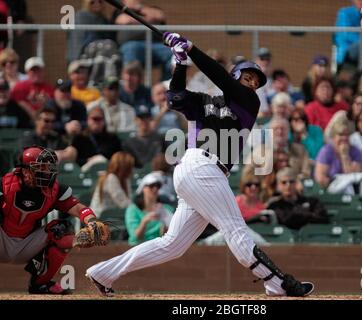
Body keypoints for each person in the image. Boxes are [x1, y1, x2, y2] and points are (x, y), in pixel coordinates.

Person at [85, 32, 314, 297]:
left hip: (202, 173)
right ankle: (277, 282)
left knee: (172, 244)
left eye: (255, 80)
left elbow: (220, 77)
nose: (252, 83)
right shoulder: (205, 101)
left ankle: (103, 273)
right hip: (199, 167)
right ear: (236, 76)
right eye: (247, 77)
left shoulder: (249, 102)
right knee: (236, 230)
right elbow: (175, 98)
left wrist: (191, 50)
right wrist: (181, 62)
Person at [0, 146, 105, 294]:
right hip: (2, 239)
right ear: (25, 171)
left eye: (48, 167)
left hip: (27, 244)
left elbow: (77, 207)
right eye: (41, 167)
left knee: (62, 229)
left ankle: (40, 284)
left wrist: (92, 221)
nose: (47, 172)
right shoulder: (4, 186)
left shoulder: (53, 191)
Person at [113, 1, 172, 80]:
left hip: (156, 45)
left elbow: (160, 15)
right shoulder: (119, 9)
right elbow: (122, 20)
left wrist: (137, 14)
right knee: (131, 48)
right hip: (132, 45)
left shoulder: (148, 8)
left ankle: (166, 86)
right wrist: (148, 19)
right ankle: (131, 86)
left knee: (173, 52)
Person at [315, 113, 362, 196]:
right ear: (333, 137)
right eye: (340, 135)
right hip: (331, 190)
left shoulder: (356, 151)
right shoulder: (326, 151)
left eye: (346, 135)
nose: (344, 138)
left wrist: (344, 156)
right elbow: (320, 178)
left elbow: (353, 176)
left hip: (353, 190)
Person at [126, 172, 173, 246]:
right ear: (143, 189)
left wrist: (165, 225)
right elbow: (135, 237)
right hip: (137, 247)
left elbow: (167, 235)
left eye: (158, 186)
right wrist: (144, 222)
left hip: (158, 247)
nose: (155, 189)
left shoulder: (167, 209)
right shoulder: (132, 210)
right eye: (151, 186)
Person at [89, 151, 134, 218]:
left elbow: (129, 200)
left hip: (112, 217)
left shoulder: (124, 179)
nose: (131, 170)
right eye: (129, 167)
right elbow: (123, 203)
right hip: (99, 219)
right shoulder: (111, 178)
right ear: (123, 167)